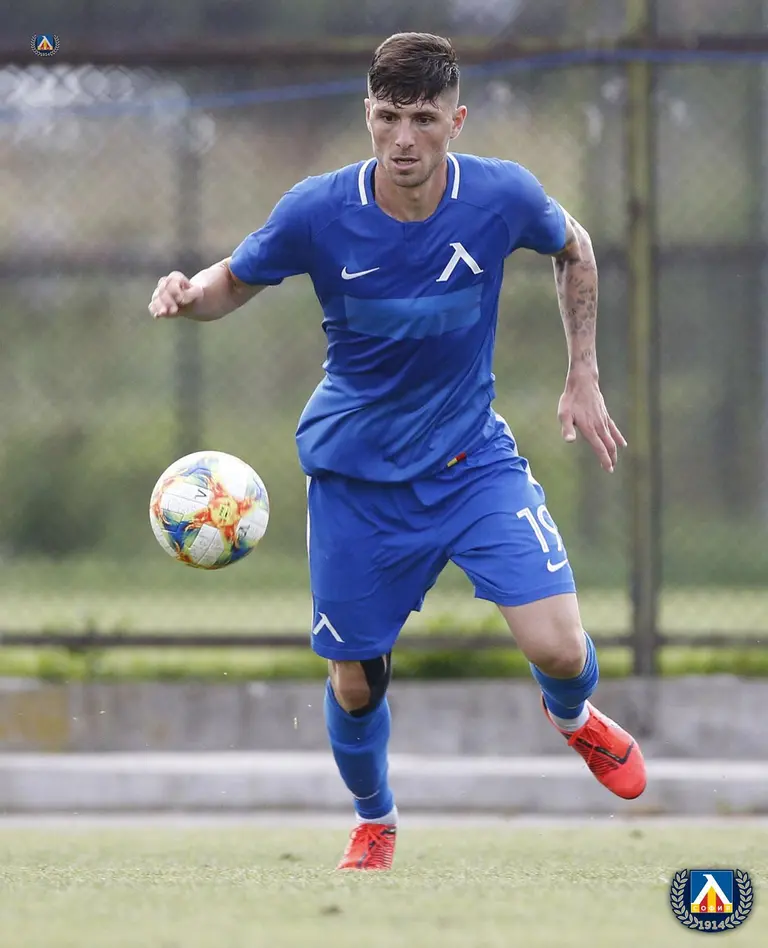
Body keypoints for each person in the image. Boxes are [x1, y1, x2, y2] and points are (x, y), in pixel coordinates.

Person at [149, 31, 646, 871]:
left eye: (422, 119)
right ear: (367, 115)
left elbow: (576, 246)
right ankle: (374, 819)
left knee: (561, 649)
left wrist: (583, 372)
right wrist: (186, 294)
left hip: (470, 463)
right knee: (354, 682)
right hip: (357, 478)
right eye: (387, 117)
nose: (403, 139)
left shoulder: (500, 196)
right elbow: (230, 282)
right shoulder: (318, 210)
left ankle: (573, 718)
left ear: (457, 120)